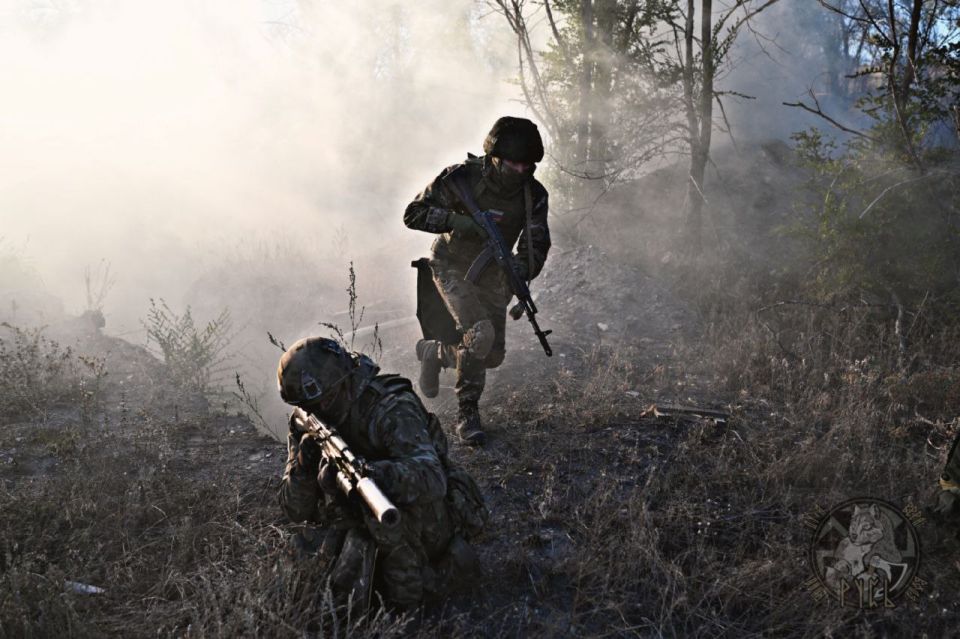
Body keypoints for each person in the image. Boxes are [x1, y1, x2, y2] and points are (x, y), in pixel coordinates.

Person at [276, 336, 487, 608]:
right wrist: (306, 463)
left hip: (412, 510)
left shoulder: (390, 406)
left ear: (343, 384)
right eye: (306, 406)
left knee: (398, 584)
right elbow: (293, 509)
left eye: (321, 402)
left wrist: (373, 473)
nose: (315, 411)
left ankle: (430, 583)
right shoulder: (309, 418)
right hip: (355, 511)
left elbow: (432, 479)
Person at [404, 116, 551, 446]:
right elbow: (413, 213)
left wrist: (522, 268)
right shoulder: (461, 179)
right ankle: (467, 412)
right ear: (495, 157)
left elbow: (537, 243)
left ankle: (435, 353)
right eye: (514, 164)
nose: (521, 172)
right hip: (449, 264)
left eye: (528, 166)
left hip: (492, 273)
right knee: (480, 333)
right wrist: (459, 222)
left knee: (491, 354)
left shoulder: (533, 195)